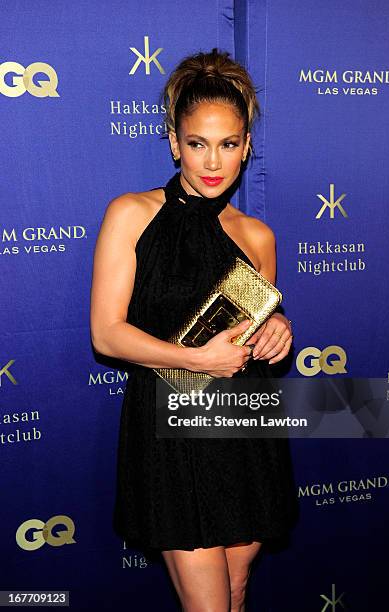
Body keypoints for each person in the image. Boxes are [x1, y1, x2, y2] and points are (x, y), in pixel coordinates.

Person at [90, 48, 299, 612]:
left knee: (235, 589)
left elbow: (248, 334)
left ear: (246, 147)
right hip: (172, 432)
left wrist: (274, 328)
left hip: (243, 427)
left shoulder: (258, 236)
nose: (213, 161)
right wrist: (194, 361)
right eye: (198, 143)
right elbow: (107, 334)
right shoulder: (131, 213)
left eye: (228, 144)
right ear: (174, 141)